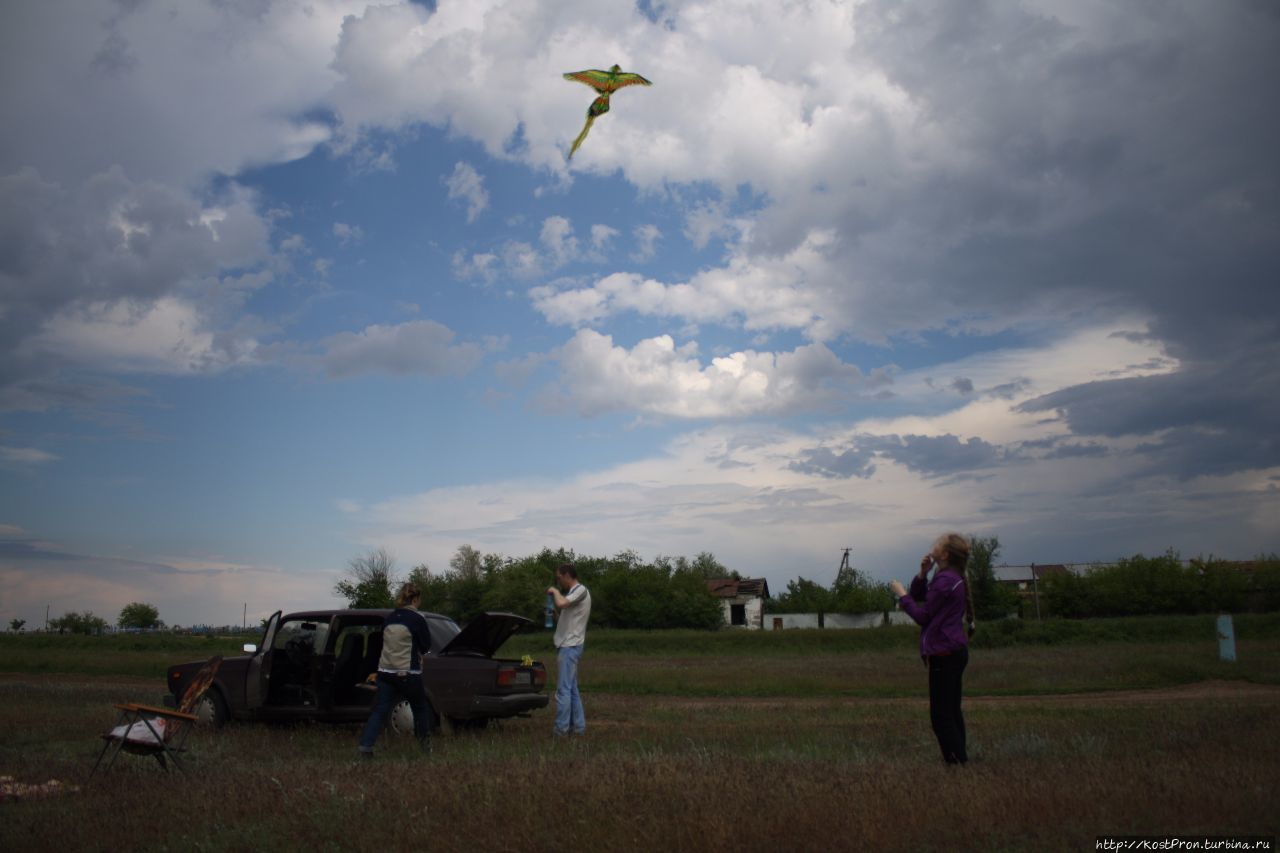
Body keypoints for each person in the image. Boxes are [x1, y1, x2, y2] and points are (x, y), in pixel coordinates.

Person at [889, 532, 976, 765]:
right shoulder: (946, 576)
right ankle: (960, 760)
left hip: (944, 653)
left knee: (941, 716)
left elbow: (922, 615)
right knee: (952, 711)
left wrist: (901, 595)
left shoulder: (946, 580)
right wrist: (922, 575)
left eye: (938, 543)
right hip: (953, 651)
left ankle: (957, 763)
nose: (933, 544)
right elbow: (923, 597)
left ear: (945, 554)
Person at [357, 582, 436, 759]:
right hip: (408, 673)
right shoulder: (417, 619)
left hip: (385, 672)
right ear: (416, 599)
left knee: (379, 710)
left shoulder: (390, 618)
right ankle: (425, 749)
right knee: (420, 709)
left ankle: (365, 747)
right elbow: (425, 646)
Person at [546, 563, 591, 736]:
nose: (559, 581)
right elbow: (565, 618)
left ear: (567, 575)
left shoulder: (580, 590)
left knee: (563, 690)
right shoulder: (572, 595)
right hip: (567, 644)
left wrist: (554, 592)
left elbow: (563, 603)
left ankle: (561, 730)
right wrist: (553, 614)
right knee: (571, 689)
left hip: (570, 647)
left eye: (559, 577)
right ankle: (578, 728)